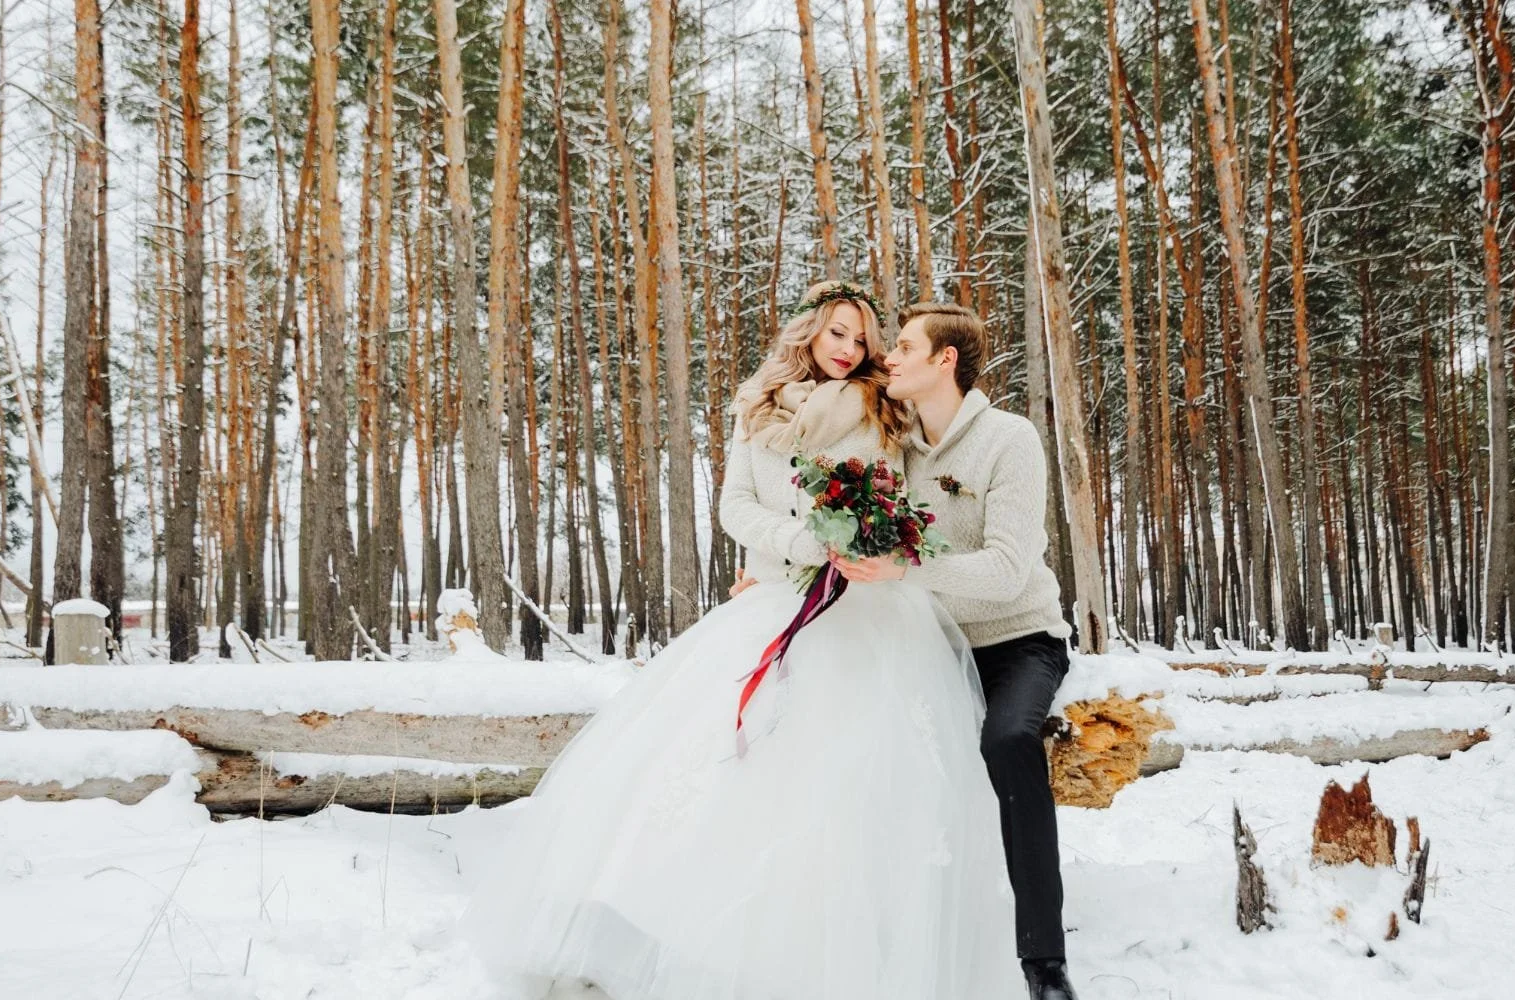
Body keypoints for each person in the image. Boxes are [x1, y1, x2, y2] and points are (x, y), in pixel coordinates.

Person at [458, 281, 1022, 1000]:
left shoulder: (888, 409)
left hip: (871, 609)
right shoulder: (758, 407)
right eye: (837, 334)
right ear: (809, 335)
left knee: (853, 780)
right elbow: (735, 505)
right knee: (712, 765)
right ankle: (675, 933)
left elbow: (912, 501)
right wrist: (796, 544)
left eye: (861, 337)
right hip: (781, 595)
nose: (849, 349)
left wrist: (872, 543)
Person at [831, 302, 1080, 1000]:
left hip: (1019, 640)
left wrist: (908, 571)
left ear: (946, 360)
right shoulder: (898, 448)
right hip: (930, 644)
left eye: (905, 347)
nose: (890, 358)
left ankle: (1045, 963)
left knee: (1006, 741)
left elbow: (1006, 572)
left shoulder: (1010, 439)